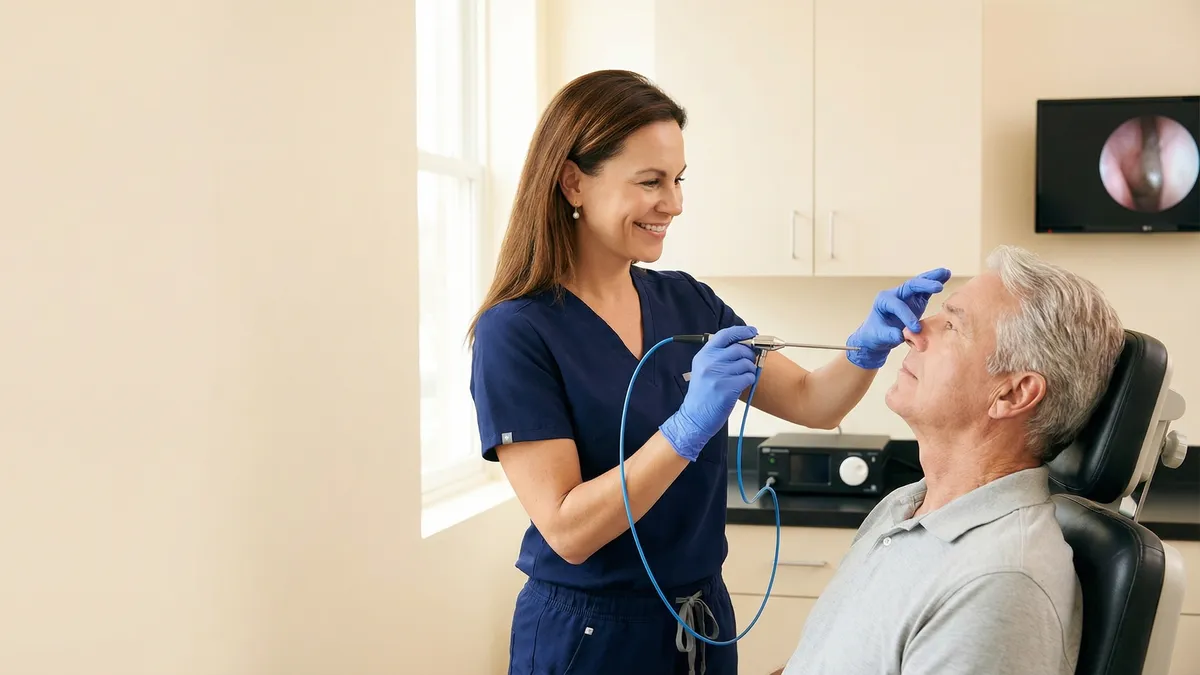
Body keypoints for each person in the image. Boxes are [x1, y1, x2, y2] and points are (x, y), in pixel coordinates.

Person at [467, 69, 950, 675]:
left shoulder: (688, 302)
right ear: (573, 182)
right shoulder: (516, 331)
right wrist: (686, 428)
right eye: (650, 181)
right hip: (592, 635)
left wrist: (865, 349)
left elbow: (812, 401)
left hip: (701, 623)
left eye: (678, 180)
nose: (673, 203)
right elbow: (568, 530)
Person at [778, 245, 1125, 675]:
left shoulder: (997, 582)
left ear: (1013, 394)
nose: (911, 332)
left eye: (952, 325)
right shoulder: (906, 506)